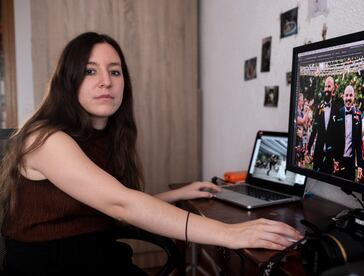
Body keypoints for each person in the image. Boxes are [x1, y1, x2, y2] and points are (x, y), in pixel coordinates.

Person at [0, 32, 301, 274]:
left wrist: (177, 194)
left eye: (114, 71)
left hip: (97, 254)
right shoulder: (46, 138)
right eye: (90, 71)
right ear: (68, 81)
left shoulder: (104, 137)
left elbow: (106, 201)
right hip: (53, 264)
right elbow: (120, 204)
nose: (106, 81)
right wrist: (230, 234)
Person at [306, 76, 337, 173]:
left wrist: (337, 156)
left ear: (333, 88)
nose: (327, 88)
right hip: (318, 151)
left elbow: (339, 134)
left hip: (330, 153)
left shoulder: (337, 108)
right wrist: (308, 148)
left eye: (329, 86)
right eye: (325, 86)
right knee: (315, 176)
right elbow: (314, 130)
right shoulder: (319, 108)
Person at [332, 85, 363, 182]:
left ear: (354, 97)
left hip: (351, 163)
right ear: (343, 96)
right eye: (347, 95)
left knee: (349, 191)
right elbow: (335, 140)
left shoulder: (358, 115)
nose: (348, 98)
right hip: (339, 161)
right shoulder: (338, 113)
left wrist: (360, 166)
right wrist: (335, 159)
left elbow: (358, 143)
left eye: (351, 95)